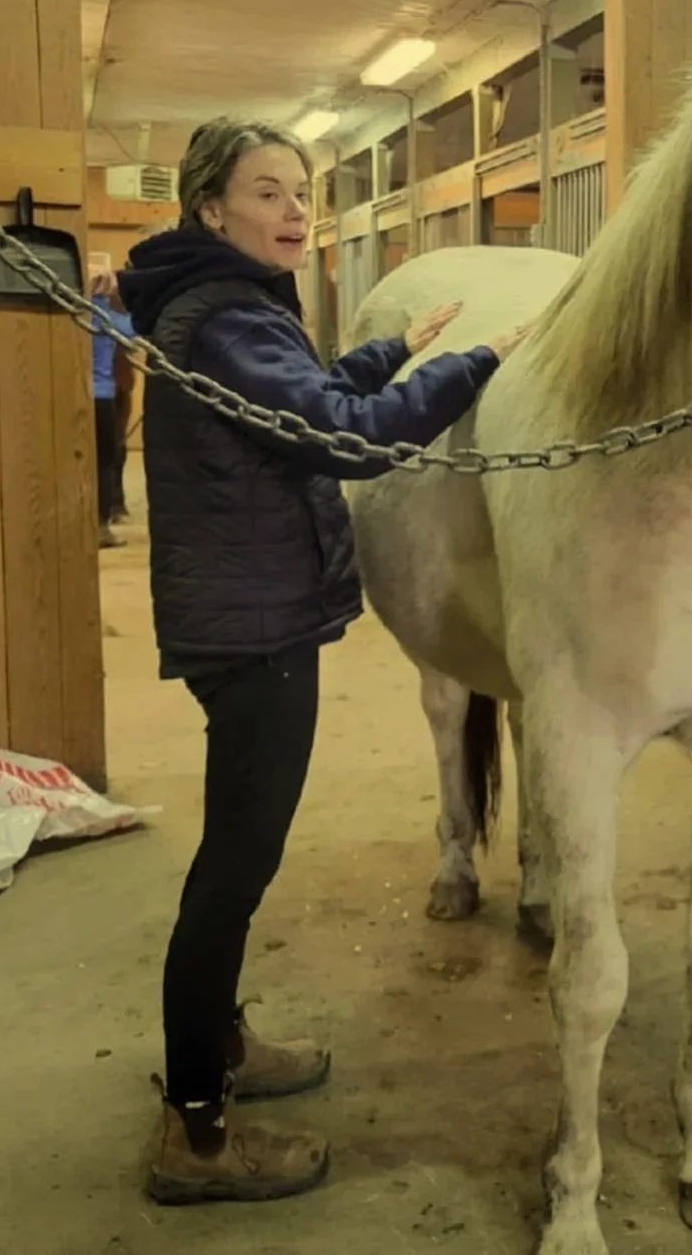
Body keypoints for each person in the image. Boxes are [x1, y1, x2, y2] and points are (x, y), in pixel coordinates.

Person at [115, 117, 529, 1208]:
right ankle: (195, 1129)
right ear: (211, 209)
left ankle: (224, 1043)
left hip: (246, 615)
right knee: (231, 873)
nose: (295, 211)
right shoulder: (225, 319)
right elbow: (347, 437)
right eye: (267, 192)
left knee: (235, 864)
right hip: (254, 631)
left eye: (302, 191)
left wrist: (398, 346)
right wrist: (480, 361)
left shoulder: (225, 309)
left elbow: (301, 399)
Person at [88, 267, 136, 548]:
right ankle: (102, 525)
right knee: (105, 461)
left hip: (80, 394)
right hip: (102, 395)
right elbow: (134, 328)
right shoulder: (106, 314)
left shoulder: (76, 308)